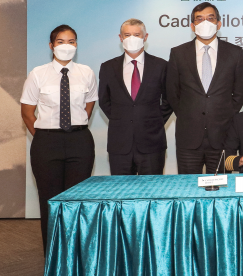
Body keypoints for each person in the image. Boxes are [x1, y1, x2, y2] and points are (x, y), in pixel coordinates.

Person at [20, 24, 97, 254]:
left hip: (80, 141)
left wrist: (72, 131)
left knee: (76, 201)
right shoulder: (38, 73)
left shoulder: (86, 72)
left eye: (71, 41)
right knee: (50, 201)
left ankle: (75, 256)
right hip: (46, 143)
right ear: (51, 46)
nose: (67, 46)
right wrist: (45, 136)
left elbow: (88, 107)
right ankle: (53, 257)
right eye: (61, 42)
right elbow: (27, 112)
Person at [166, 2, 243, 174]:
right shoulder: (178, 53)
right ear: (192, 25)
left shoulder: (235, 53)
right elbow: (172, 93)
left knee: (219, 194)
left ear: (218, 24)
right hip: (188, 138)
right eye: (199, 19)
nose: (205, 23)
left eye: (210, 19)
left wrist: (225, 116)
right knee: (187, 191)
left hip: (223, 136)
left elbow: (240, 93)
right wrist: (188, 115)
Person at [98, 19, 173, 175]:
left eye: (137, 35)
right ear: (120, 38)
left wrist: (153, 120)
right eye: (127, 35)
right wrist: (123, 119)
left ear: (145, 37)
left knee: (152, 193)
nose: (132, 38)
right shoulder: (107, 67)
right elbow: (105, 101)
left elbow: (168, 100)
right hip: (119, 144)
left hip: (152, 143)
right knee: (121, 195)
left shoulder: (161, 65)